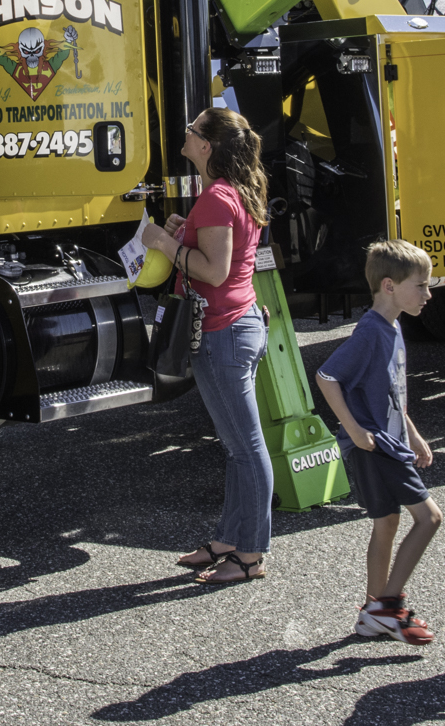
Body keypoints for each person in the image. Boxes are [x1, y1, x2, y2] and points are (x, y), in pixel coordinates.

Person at [140, 107, 272, 585]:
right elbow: (222, 256)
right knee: (238, 448)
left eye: (192, 130)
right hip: (238, 325)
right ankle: (228, 540)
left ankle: (250, 555)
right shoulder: (232, 191)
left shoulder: (216, 196)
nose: (187, 133)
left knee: (247, 449)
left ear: (207, 146)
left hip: (223, 331)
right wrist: (183, 233)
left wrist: (161, 239)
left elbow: (213, 271)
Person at [315, 240, 442, 644]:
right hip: (376, 447)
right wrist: (353, 430)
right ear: (389, 286)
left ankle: (374, 612)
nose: (428, 294)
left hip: (391, 441)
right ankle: (386, 607)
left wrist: (415, 434)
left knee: (386, 523)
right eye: (420, 285)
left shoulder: (393, 325)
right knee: (430, 518)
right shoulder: (371, 332)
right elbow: (327, 377)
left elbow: (391, 392)